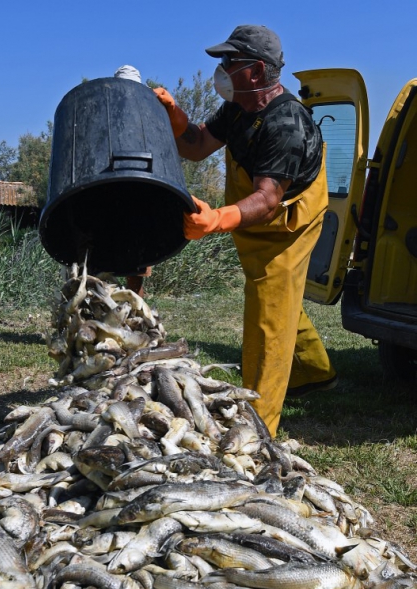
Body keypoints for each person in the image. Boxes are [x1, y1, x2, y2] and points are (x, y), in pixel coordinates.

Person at [153, 25, 337, 437]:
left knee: (269, 317)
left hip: (286, 225)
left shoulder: (286, 123)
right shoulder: (238, 108)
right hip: (254, 220)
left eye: (228, 62)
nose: (220, 69)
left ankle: (257, 427)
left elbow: (268, 198)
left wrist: (215, 219)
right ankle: (316, 371)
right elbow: (198, 145)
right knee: (278, 296)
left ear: (254, 71)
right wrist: (174, 117)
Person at [114, 65, 153, 298]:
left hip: (140, 186)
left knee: (138, 253)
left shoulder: (147, 114)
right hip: (113, 187)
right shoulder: (108, 113)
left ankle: (135, 304)